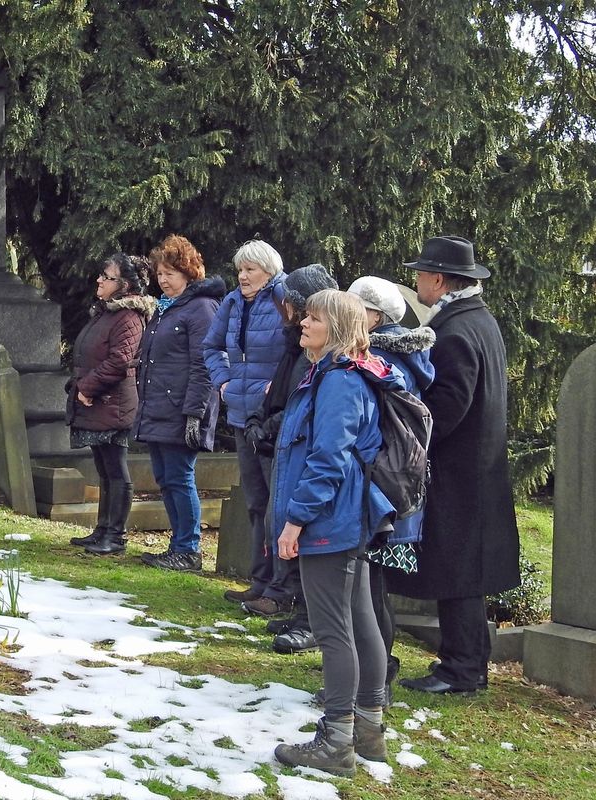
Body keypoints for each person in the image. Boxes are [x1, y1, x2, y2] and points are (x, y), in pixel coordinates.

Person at [271, 289, 397, 776]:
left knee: (333, 631)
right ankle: (369, 730)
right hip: (348, 518)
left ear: (339, 329)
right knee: (360, 619)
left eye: (315, 319)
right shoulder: (343, 373)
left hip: (330, 521)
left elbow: (327, 460)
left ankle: (337, 741)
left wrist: (296, 520)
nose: (304, 323)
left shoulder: (340, 382)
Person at [391, 235, 520, 695]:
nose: (417, 281)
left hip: (460, 470)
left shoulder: (455, 330)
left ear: (439, 280)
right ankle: (463, 666)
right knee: (463, 569)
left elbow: (448, 405)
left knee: (460, 573)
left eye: (421, 274)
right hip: (475, 468)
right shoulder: (477, 320)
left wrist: (412, 437)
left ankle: (462, 671)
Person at [237, 264, 339, 654]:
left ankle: (308, 619)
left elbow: (307, 403)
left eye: (302, 309)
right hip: (280, 439)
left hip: (298, 448)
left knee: (304, 535)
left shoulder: (331, 363)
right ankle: (296, 607)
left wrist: (272, 423)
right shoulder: (294, 342)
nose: (289, 312)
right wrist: (260, 417)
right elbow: (284, 388)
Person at [347, 275, 435, 702]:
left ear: (375, 316)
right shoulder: (401, 353)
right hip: (395, 488)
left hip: (382, 487)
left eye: (355, 306)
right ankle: (376, 664)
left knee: (372, 585)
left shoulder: (381, 358)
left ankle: (377, 672)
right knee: (372, 584)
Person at [203, 240, 290, 615]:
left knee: (278, 504)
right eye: (240, 269)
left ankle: (280, 589)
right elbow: (210, 347)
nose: (242, 276)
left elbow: (299, 348)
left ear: (269, 272)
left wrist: (280, 386)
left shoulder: (284, 296)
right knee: (256, 502)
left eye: (250, 269)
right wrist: (223, 382)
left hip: (274, 419)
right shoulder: (233, 302)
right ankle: (259, 581)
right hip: (240, 414)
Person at [130, 234, 225, 568]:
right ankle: (179, 546)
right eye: (160, 273)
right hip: (158, 408)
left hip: (182, 410)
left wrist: (194, 415)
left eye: (170, 272)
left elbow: (204, 364)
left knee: (180, 478)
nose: (163, 279)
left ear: (189, 271)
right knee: (166, 479)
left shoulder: (201, 308)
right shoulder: (167, 309)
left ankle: (189, 549)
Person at [67, 254, 155, 551]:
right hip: (99, 400)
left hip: (114, 402)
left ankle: (115, 536)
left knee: (116, 470)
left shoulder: (128, 317)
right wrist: (79, 385)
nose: (99, 280)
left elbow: (120, 361)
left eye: (106, 276)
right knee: (104, 468)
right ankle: (102, 529)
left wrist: (87, 387)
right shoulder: (106, 313)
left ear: (125, 285)